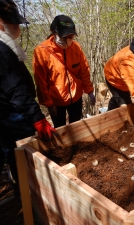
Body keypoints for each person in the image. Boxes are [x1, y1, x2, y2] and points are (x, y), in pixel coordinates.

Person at [0, 0, 57, 196]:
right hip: (12, 116)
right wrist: (37, 118)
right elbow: (15, 87)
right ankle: (31, 196)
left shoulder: (6, 47)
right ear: (1, 23)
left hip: (10, 114)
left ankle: (22, 191)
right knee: (22, 156)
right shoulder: (1, 51)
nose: (17, 28)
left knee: (13, 155)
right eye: (13, 23)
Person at [33, 15, 95, 128]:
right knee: (60, 129)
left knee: (77, 127)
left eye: (70, 36)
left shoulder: (76, 48)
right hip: (56, 101)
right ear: (54, 33)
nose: (68, 39)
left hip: (76, 97)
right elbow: (41, 82)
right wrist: (49, 104)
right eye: (64, 36)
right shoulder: (42, 52)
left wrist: (90, 91)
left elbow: (84, 71)